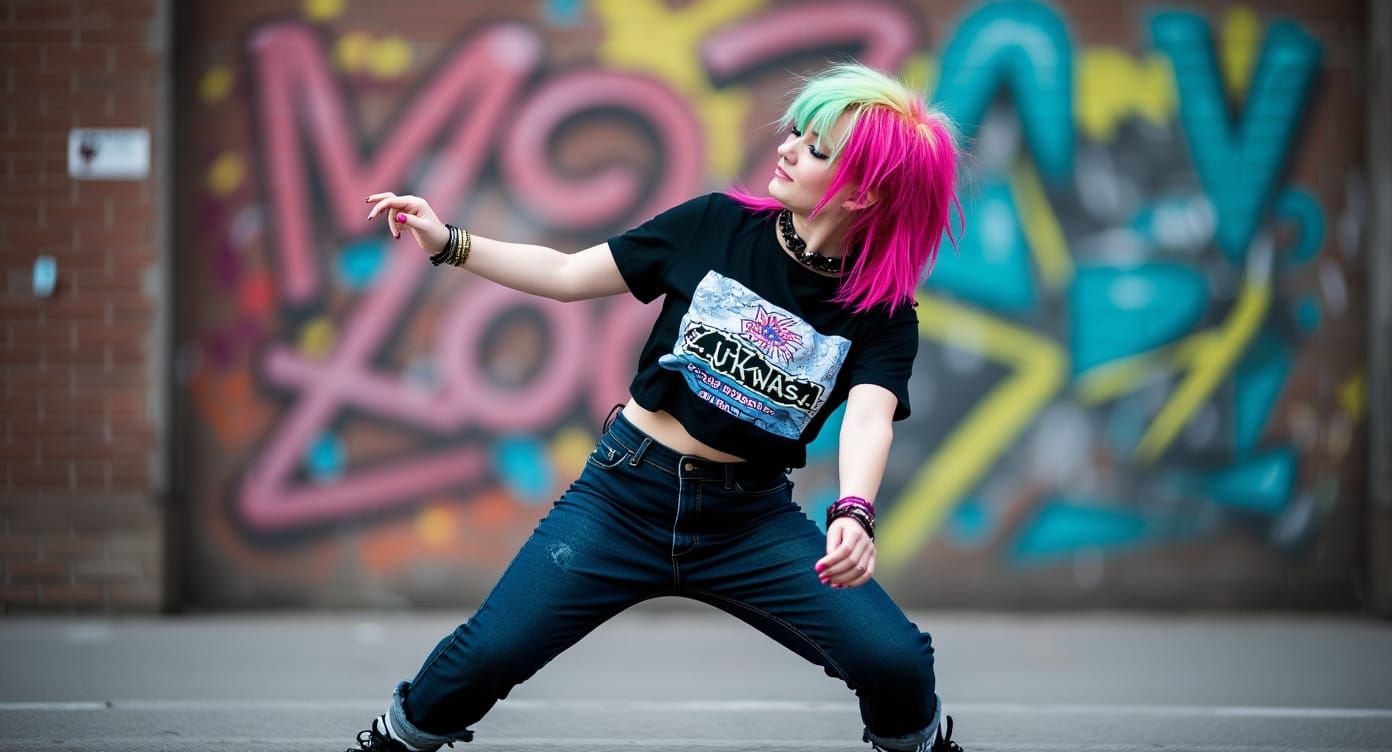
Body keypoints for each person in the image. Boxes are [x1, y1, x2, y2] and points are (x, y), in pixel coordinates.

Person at [348, 62, 964, 752]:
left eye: (816, 148)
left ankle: (918, 746)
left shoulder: (881, 312)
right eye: (797, 131)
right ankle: (393, 742)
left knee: (897, 663)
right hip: (622, 496)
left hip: (748, 520)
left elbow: (869, 416)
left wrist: (854, 510)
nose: (786, 147)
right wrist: (448, 242)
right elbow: (566, 274)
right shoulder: (715, 225)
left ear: (865, 192)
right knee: (483, 658)